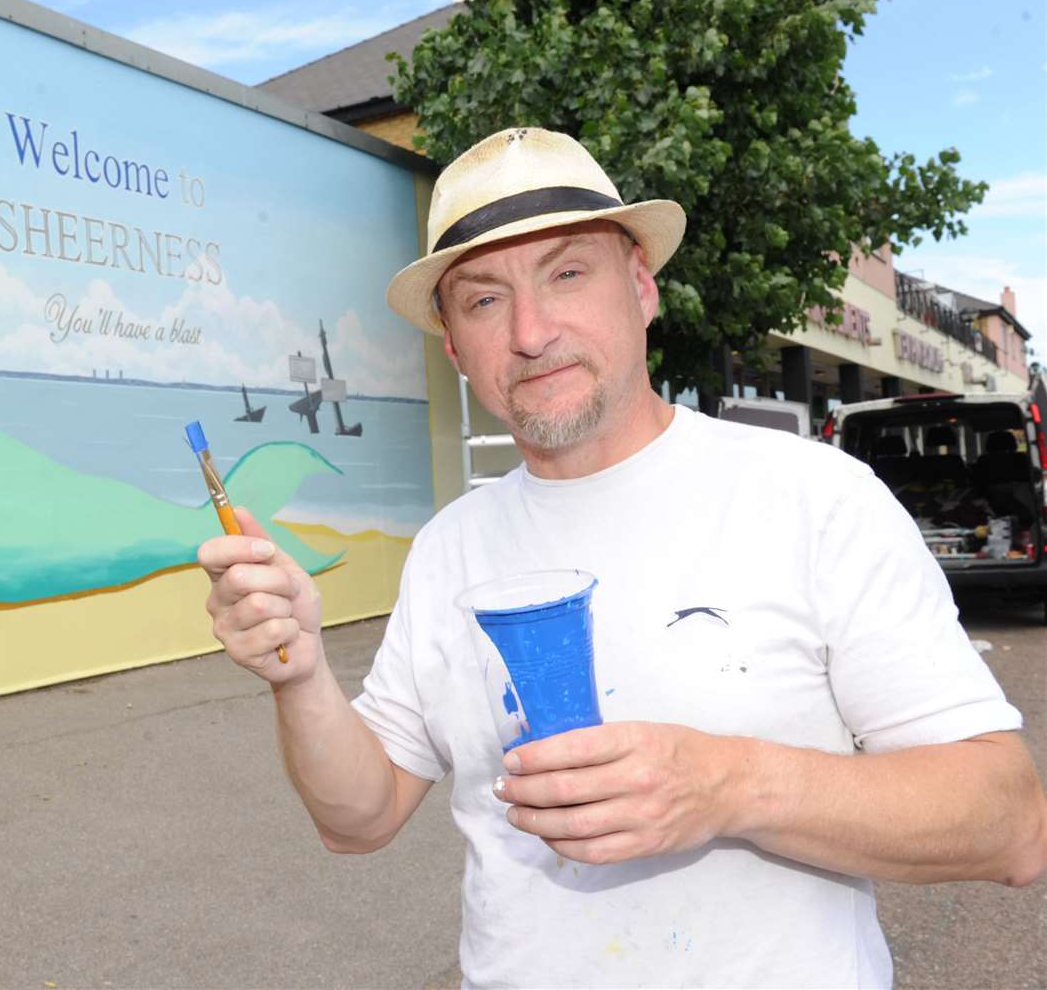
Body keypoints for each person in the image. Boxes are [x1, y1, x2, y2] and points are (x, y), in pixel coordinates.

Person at [198, 127, 1046, 988]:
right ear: (454, 347)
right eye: (484, 301)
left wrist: (726, 784)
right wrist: (298, 674)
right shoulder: (451, 546)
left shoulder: (810, 497)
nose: (531, 332)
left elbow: (1008, 824)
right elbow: (360, 816)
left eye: (567, 273)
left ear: (640, 288)